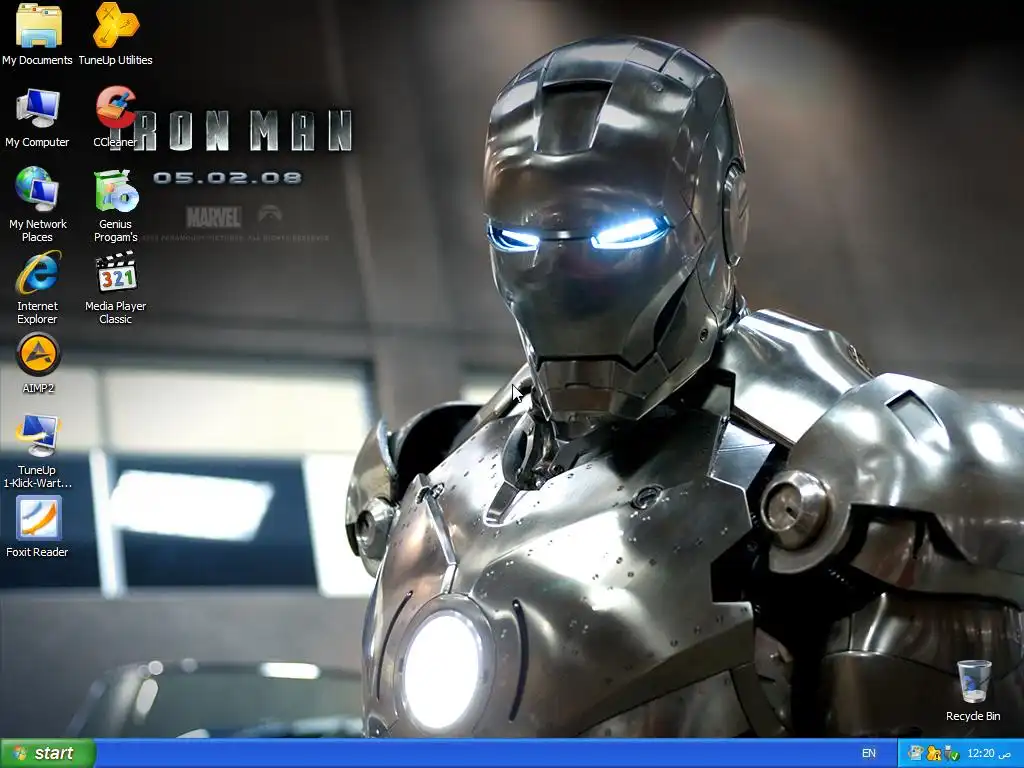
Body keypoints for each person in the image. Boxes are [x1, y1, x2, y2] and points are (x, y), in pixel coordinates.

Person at [346, 36, 1024, 737]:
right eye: (521, 241)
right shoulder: (434, 475)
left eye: (617, 236)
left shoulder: (876, 473)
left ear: (726, 212)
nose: (560, 278)